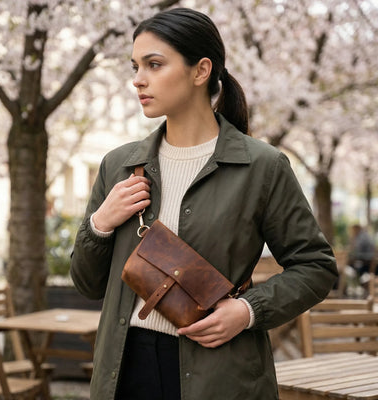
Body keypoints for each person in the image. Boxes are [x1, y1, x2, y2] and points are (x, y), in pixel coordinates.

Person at [70, 7, 337, 400]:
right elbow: (87, 283)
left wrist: (247, 311)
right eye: (135, 66)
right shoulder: (120, 165)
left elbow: (315, 267)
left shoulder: (262, 166)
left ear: (201, 71)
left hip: (220, 371)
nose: (137, 80)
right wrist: (100, 224)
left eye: (154, 64)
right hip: (125, 367)